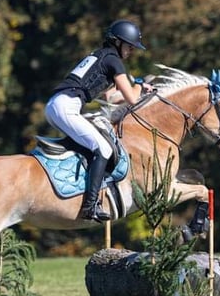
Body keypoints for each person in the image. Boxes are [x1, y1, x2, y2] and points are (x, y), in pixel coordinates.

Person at [45, 19, 153, 222]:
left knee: (91, 146)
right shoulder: (114, 60)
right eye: (130, 46)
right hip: (66, 106)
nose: (131, 51)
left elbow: (110, 97)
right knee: (103, 149)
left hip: (57, 105)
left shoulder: (100, 56)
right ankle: (90, 206)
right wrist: (141, 85)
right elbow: (131, 98)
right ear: (118, 42)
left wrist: (138, 89)